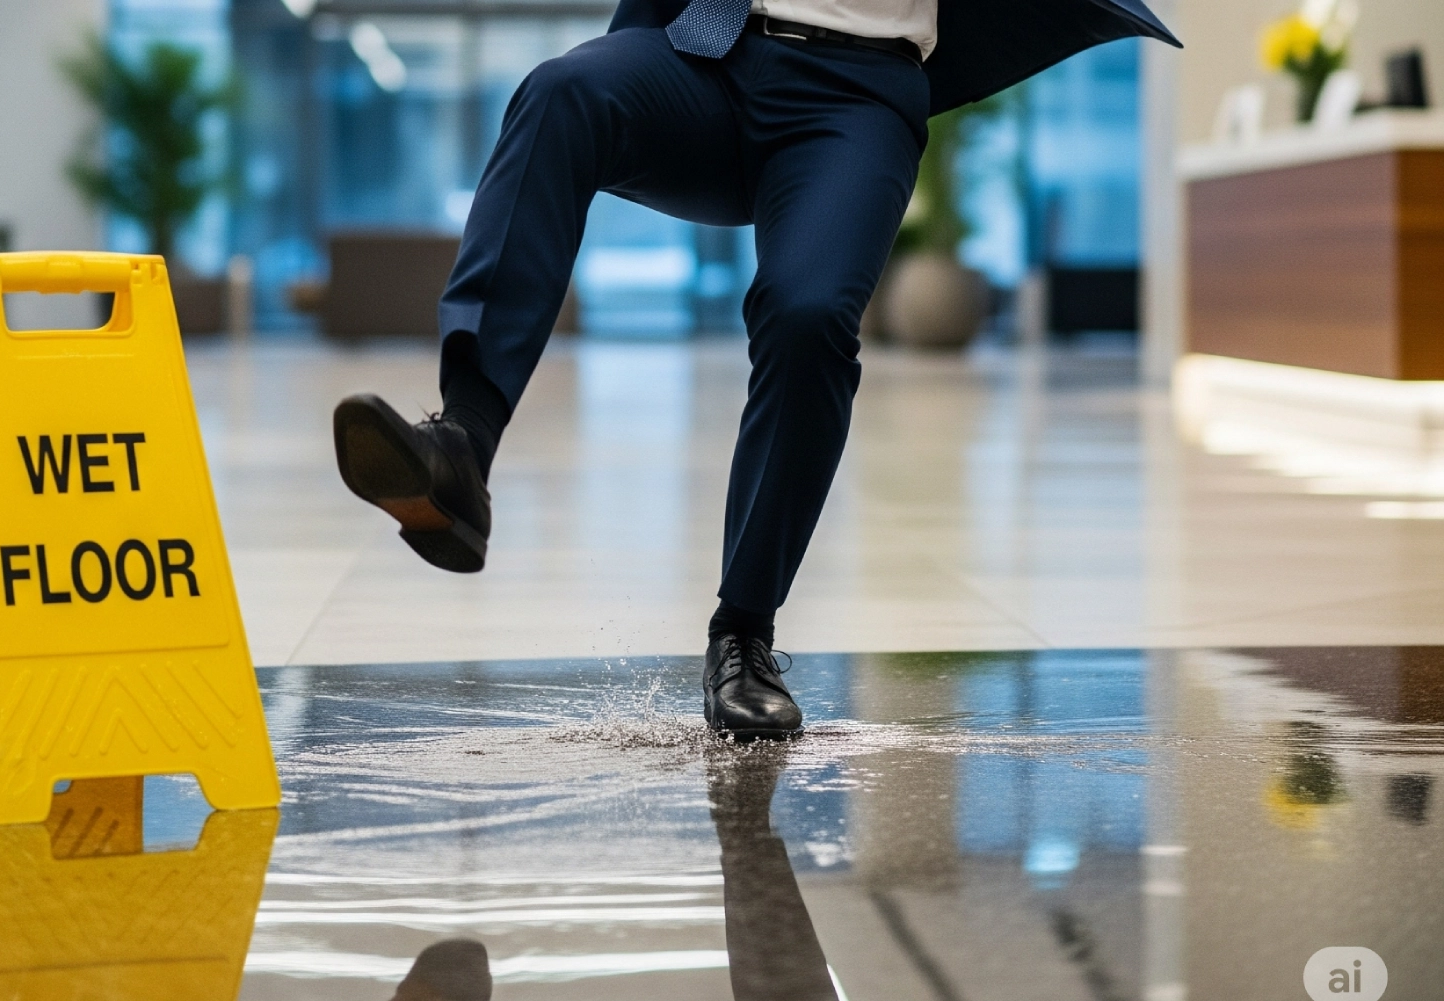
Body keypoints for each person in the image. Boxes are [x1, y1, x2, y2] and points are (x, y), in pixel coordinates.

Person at [333, 0, 1178, 738]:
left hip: (861, 91)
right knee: (562, 93)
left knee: (809, 315)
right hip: (712, 49)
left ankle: (743, 636)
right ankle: (463, 449)